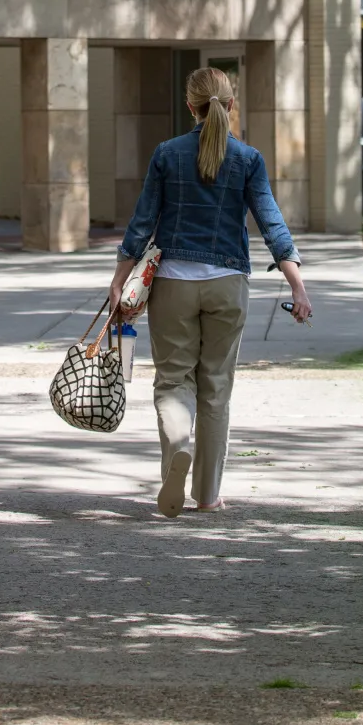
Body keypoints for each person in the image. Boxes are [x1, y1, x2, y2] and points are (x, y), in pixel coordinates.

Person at [109, 66, 312, 518]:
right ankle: (207, 495)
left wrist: (119, 279)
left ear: (190, 106)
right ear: (231, 104)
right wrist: (297, 285)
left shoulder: (166, 154)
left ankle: (179, 446)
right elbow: (272, 223)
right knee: (216, 388)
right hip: (227, 285)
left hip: (174, 286)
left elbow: (142, 224)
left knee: (174, 381)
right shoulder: (249, 159)